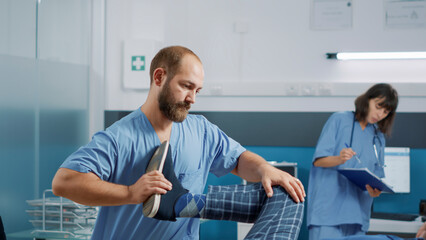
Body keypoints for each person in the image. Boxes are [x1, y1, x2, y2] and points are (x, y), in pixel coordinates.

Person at [51, 46, 305, 239]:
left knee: (288, 193)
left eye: (198, 91)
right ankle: (180, 202)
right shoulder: (120, 137)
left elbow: (239, 160)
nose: (192, 98)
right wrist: (130, 193)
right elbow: (64, 182)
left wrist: (264, 169)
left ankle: (180, 202)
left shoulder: (201, 130)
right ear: (159, 77)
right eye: (186, 86)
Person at [306, 83, 399, 240]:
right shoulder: (339, 120)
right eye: (378, 106)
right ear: (367, 99)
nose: (380, 114)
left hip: (358, 214)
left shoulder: (378, 137)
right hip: (328, 211)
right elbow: (319, 161)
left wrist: (375, 190)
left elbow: (377, 176)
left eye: (385, 112)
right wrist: (339, 158)